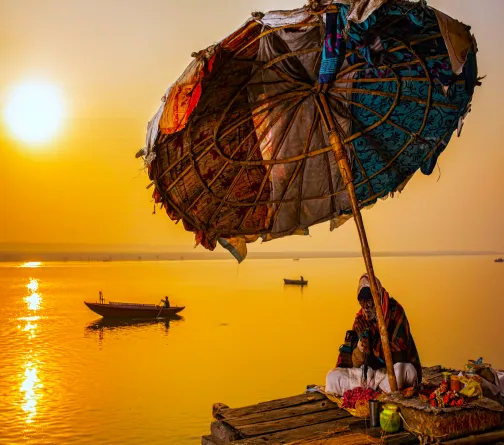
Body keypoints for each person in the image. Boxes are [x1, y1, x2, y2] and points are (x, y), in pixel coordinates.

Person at [326, 273, 421, 395]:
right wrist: (360, 349)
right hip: (370, 376)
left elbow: (399, 355)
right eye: (362, 302)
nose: (365, 307)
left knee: (403, 371)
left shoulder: (395, 312)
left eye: (369, 302)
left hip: (392, 372)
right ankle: (373, 393)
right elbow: (349, 362)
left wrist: (373, 347)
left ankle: (378, 393)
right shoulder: (361, 319)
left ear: (378, 298)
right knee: (332, 377)